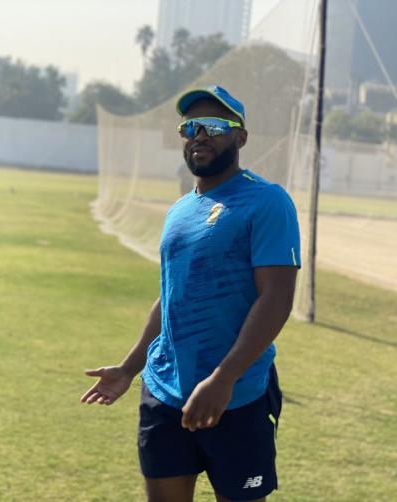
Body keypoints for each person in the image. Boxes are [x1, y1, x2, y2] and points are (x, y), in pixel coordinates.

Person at [81, 85, 300, 502]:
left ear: (241, 137)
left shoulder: (267, 201)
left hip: (238, 395)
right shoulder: (180, 209)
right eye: (190, 127)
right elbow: (171, 297)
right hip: (164, 390)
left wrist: (223, 378)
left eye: (215, 126)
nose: (200, 134)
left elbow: (276, 299)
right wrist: (129, 369)